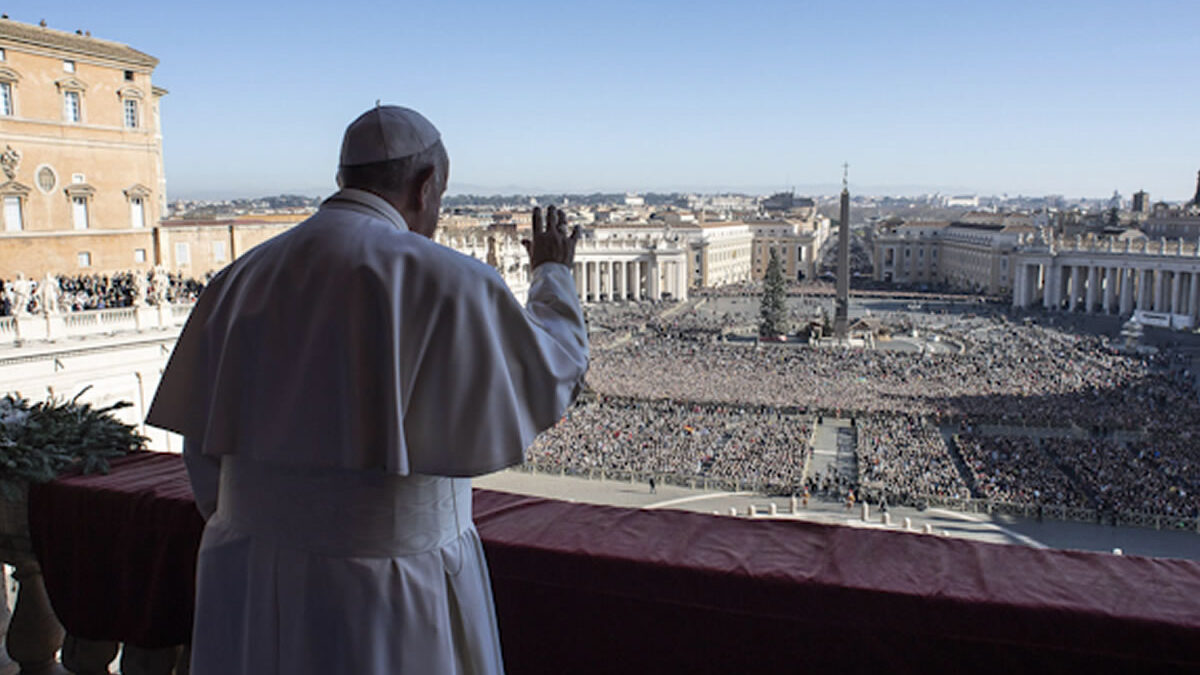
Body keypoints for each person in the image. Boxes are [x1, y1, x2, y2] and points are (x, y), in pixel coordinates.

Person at [146, 105, 589, 675]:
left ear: (343, 180)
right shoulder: (452, 279)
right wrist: (553, 274)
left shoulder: (239, 278)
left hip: (251, 577)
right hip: (394, 586)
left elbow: (203, 452)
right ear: (427, 186)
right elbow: (556, 370)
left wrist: (273, 523)